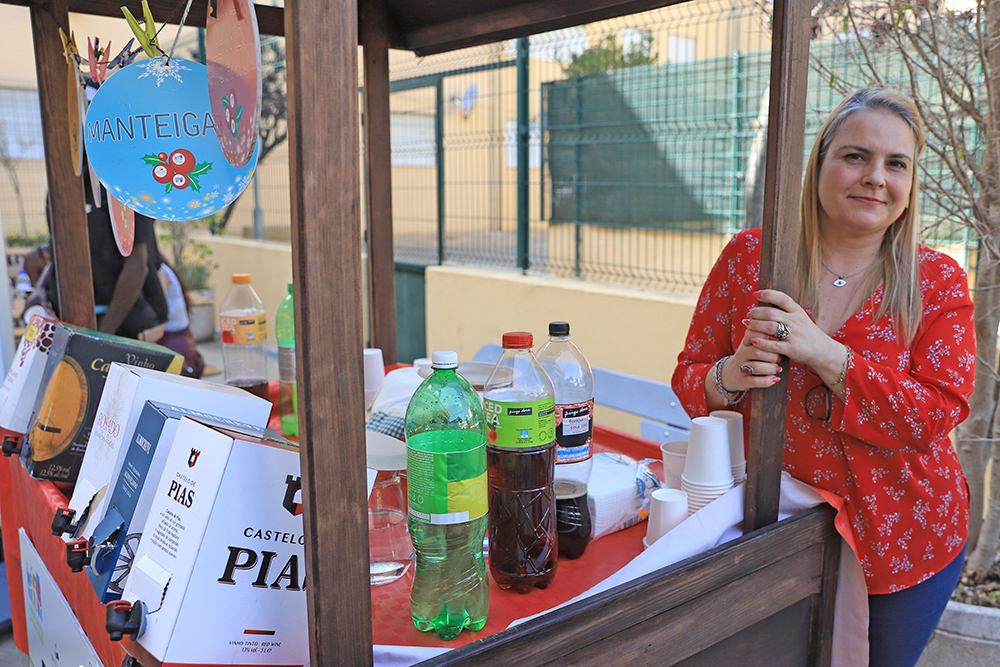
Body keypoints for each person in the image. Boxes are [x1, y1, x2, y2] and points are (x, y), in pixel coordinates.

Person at [672, 89, 973, 667]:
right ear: (819, 166)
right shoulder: (750, 258)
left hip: (901, 543)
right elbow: (689, 378)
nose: (874, 178)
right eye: (855, 156)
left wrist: (824, 354)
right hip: (773, 536)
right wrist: (730, 375)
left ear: (911, 186)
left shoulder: (936, 280)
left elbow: (934, 413)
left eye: (895, 164)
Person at [26, 167, 169, 343]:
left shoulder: (126, 184)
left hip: (123, 323)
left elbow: (136, 267)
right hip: (75, 323)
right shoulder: (61, 186)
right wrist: (39, 290)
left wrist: (100, 337)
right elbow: (58, 253)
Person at [157, 259, 205, 378]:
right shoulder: (162, 268)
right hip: (180, 347)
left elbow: (156, 323)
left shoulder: (161, 272)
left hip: (175, 351)